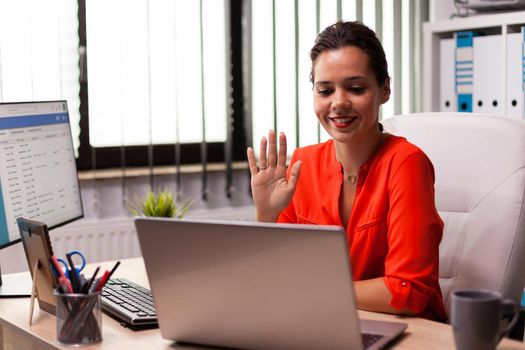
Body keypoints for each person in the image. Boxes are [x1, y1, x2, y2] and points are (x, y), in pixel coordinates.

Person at [246, 21, 447, 321]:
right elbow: (276, 276)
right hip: (327, 322)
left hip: (408, 333)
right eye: (325, 90)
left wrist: (314, 289)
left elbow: (408, 291)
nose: (338, 103)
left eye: (356, 88)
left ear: (385, 89)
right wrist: (265, 215)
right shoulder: (304, 163)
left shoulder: (407, 163)